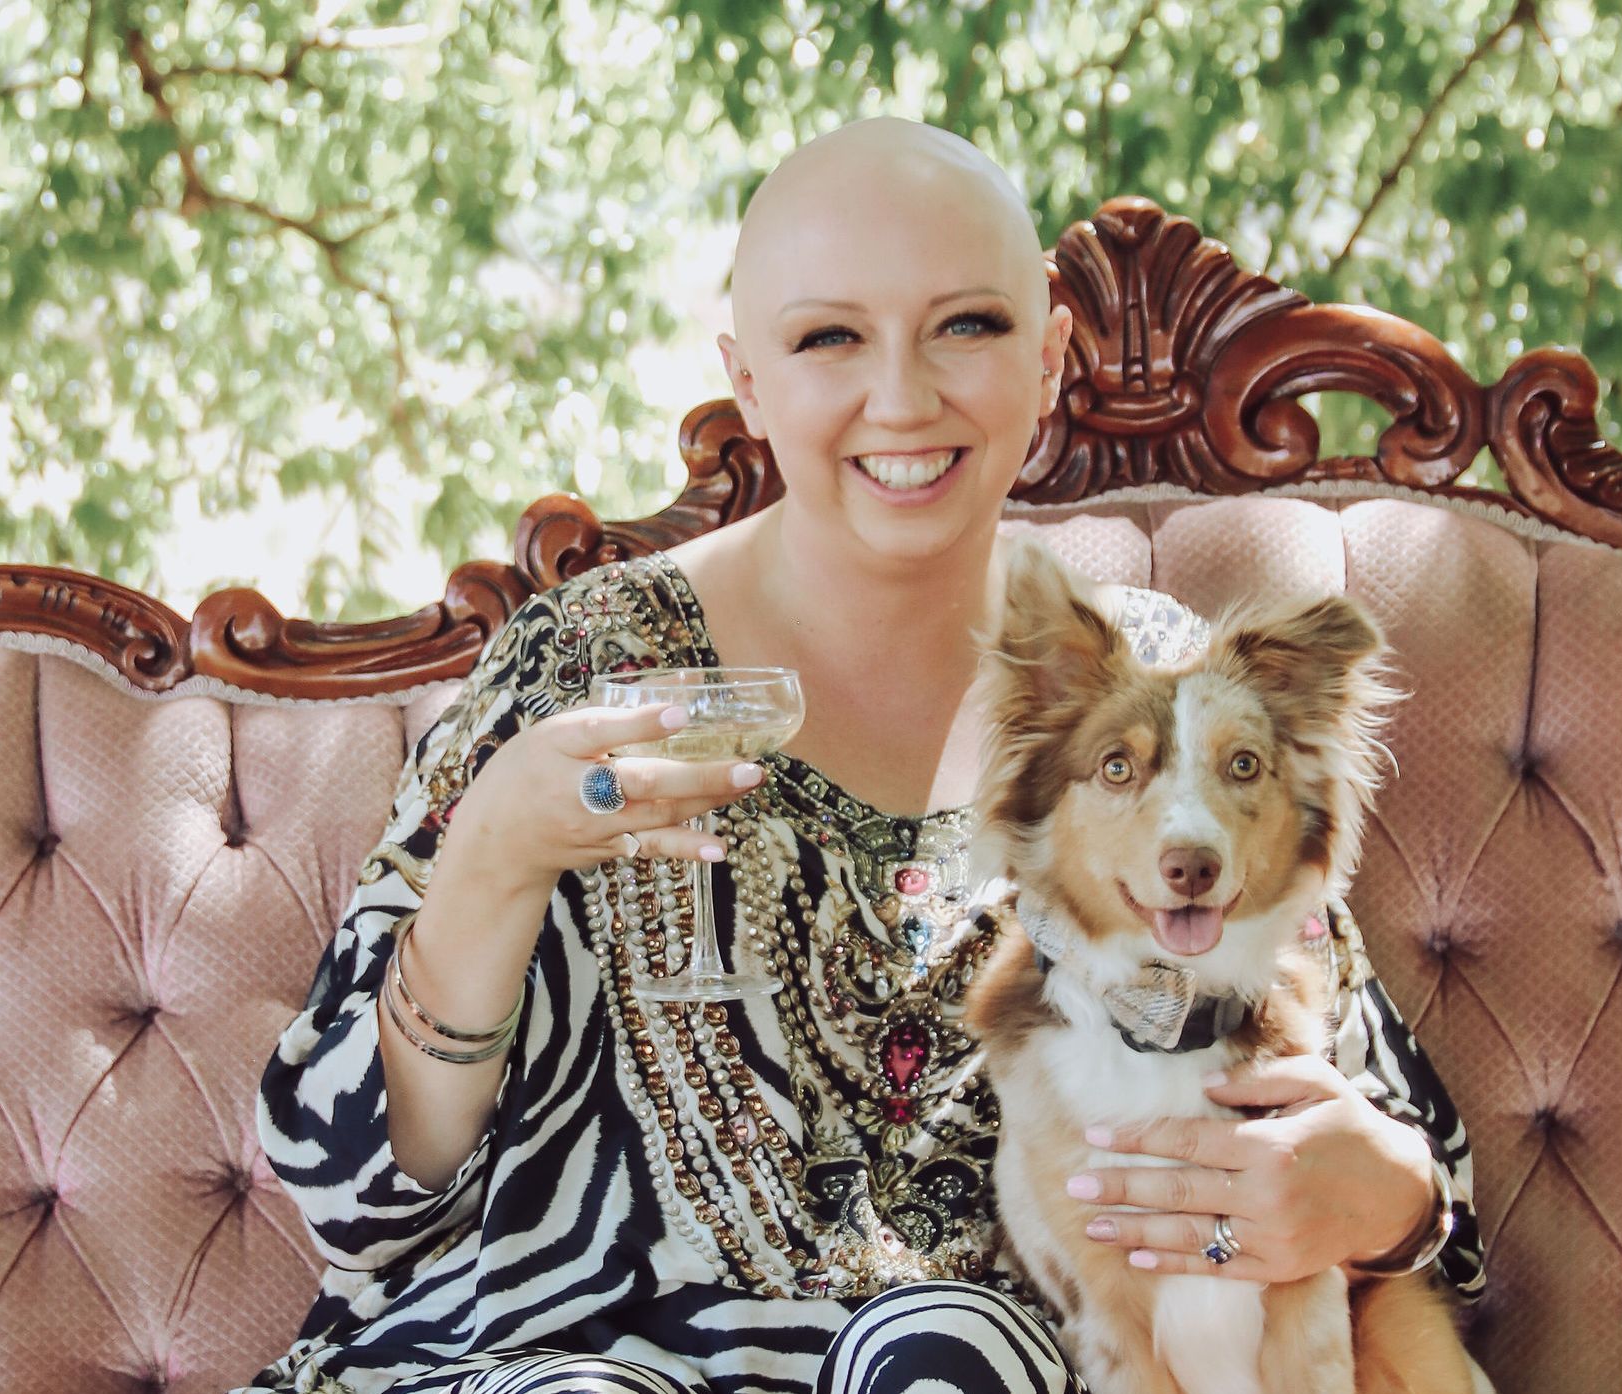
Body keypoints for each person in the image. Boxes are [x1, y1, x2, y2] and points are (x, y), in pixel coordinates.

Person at [245, 117, 1484, 1394]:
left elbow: (1388, 1154)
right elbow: (352, 1199)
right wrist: (494, 858)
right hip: (568, 1361)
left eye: (967, 326)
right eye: (830, 337)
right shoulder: (584, 660)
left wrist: (1380, 1200)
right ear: (747, 380)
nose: (902, 397)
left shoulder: (1157, 691)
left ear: (1049, 357)